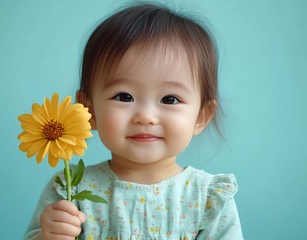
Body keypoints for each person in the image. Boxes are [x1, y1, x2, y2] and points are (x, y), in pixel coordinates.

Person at [25, 3, 243, 240]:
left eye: (170, 99)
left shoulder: (207, 199)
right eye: (124, 96)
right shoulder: (70, 191)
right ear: (89, 111)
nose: (146, 117)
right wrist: (48, 236)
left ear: (201, 117)